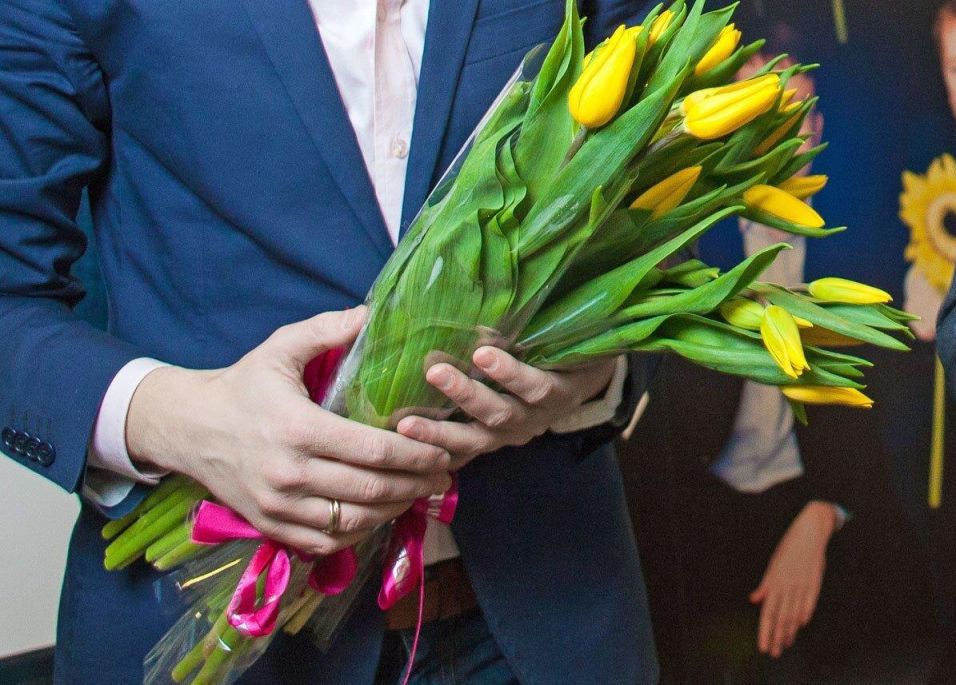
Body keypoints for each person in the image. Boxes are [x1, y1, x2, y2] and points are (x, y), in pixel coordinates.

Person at [0, 1, 660, 683]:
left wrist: (594, 369)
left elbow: (659, 188)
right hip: (208, 630)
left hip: (548, 618)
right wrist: (187, 424)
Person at [622, 56, 889, 683]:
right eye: (768, 110)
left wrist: (825, 512)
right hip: (697, 506)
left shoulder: (860, 238)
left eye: (805, 112)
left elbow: (881, 418)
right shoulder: (681, 238)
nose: (793, 128)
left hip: (811, 495)